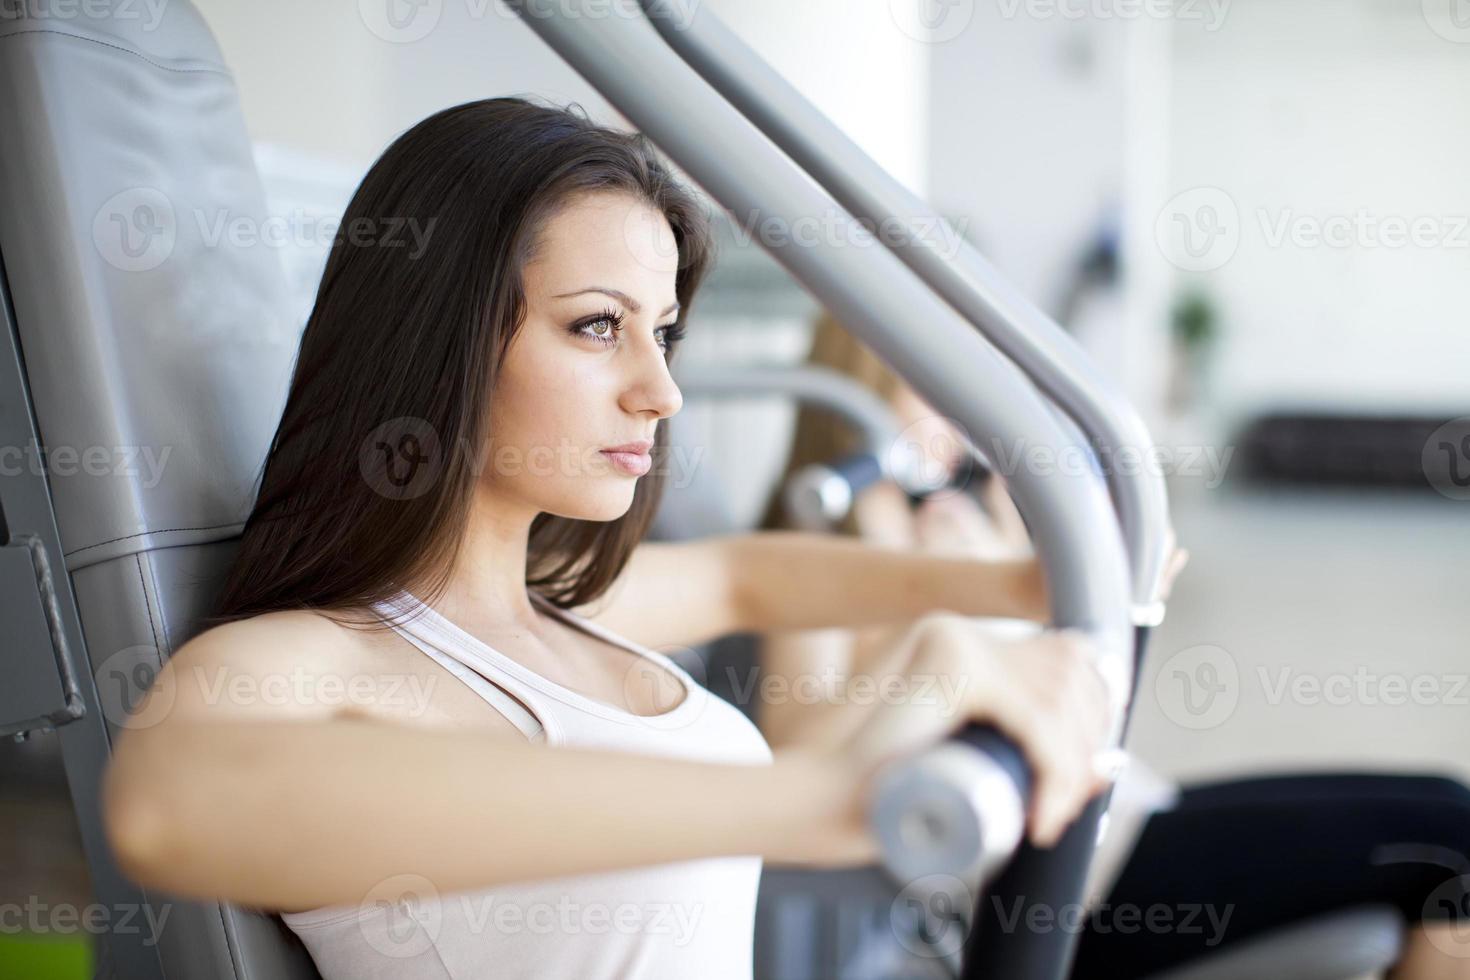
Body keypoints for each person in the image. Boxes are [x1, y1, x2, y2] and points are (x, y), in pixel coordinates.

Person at [96, 98, 1117, 980]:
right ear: (440, 334)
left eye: (662, 331)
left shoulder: (557, 610)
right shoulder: (329, 660)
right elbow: (163, 804)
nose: (660, 389)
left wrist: (1034, 581)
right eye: (597, 325)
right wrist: (819, 800)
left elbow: (745, 576)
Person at [757, 311, 1470, 980]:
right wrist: (925, 624)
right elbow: (798, 757)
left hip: (1119, 806)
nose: (958, 411)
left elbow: (1079, 673)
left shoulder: (953, 512)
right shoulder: (816, 538)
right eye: (931, 385)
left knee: (1449, 803)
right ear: (862, 383)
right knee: (1449, 847)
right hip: (1061, 883)